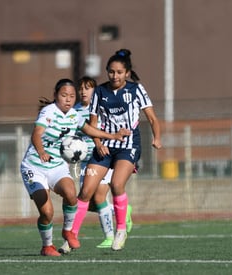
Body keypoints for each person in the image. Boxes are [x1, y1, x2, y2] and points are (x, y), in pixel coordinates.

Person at [20, 78, 130, 256]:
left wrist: (112, 136)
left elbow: (88, 130)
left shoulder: (74, 114)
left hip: (56, 165)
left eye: (71, 96)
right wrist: (40, 151)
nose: (68, 99)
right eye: (64, 95)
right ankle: (47, 246)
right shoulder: (48, 112)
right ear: (55, 95)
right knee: (47, 212)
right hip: (34, 167)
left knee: (71, 194)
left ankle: (68, 231)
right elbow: (36, 134)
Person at [67, 49, 162, 251]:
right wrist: (98, 143)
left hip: (128, 146)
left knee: (117, 185)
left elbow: (152, 118)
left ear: (126, 73)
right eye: (111, 72)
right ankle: (71, 236)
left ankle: (120, 231)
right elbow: (93, 123)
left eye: (119, 72)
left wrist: (157, 138)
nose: (114, 76)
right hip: (105, 146)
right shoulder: (99, 92)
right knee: (85, 192)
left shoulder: (136, 90)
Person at [59, 76, 133, 254]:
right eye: (82, 88)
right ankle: (120, 211)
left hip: (102, 157)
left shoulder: (101, 108)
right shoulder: (74, 111)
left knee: (99, 197)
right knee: (86, 198)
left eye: (88, 87)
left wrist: (101, 143)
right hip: (84, 160)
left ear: (95, 90)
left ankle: (109, 236)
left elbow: (107, 128)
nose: (84, 91)